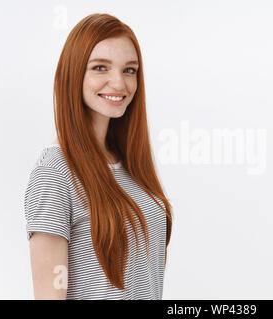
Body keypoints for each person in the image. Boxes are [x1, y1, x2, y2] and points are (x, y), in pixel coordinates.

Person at [23, 13, 173, 300]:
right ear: (74, 73)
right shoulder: (54, 172)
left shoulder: (130, 165)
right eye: (100, 67)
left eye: (129, 70)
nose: (118, 83)